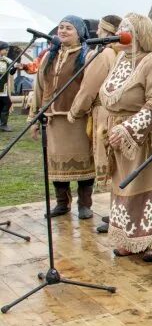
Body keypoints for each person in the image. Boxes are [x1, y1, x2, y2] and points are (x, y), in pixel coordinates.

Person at [99, 13, 152, 260]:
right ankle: (129, 238)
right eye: (121, 28)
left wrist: (128, 129)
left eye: (127, 28)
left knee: (146, 184)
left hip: (143, 134)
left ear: (140, 33)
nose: (122, 32)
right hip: (117, 132)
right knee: (122, 185)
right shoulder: (120, 59)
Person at [28, 16, 96, 219]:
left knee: (84, 163)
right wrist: (34, 116)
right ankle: (62, 203)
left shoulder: (87, 56)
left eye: (69, 28)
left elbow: (90, 87)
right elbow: (39, 87)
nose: (63, 31)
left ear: (79, 33)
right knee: (56, 164)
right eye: (61, 27)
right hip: (53, 120)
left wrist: (81, 110)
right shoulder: (49, 57)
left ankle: (85, 205)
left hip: (77, 119)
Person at [68, 14, 123, 232]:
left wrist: (75, 111)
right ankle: (118, 212)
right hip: (117, 112)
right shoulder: (121, 53)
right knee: (119, 166)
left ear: (107, 31)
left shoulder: (105, 54)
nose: (97, 32)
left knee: (113, 165)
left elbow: (89, 87)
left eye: (100, 29)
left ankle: (119, 214)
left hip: (105, 113)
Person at [0, 41, 15, 132]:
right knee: (5, 104)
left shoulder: (7, 60)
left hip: (3, 88)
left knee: (6, 104)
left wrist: (15, 67)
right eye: (5, 49)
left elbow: (12, 72)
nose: (7, 51)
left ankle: (3, 124)